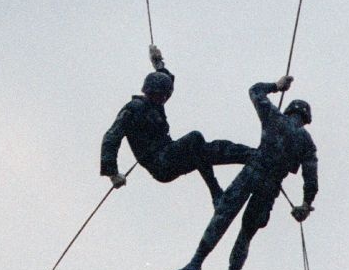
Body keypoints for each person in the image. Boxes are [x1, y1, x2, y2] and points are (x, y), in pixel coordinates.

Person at [170, 74, 318, 270]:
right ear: (306, 119)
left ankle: (196, 262)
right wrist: (305, 206)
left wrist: (277, 86)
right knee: (246, 235)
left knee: (222, 217)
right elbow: (311, 180)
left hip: (251, 173)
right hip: (269, 188)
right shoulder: (306, 142)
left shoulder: (274, 117)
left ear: (289, 110)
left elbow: (255, 91)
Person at [100, 46, 254, 203]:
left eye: (166, 96)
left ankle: (251, 155)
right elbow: (111, 137)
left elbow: (165, 79)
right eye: (162, 96)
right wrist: (112, 173)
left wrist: (157, 61)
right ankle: (216, 194)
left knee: (207, 150)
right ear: (152, 92)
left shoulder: (156, 102)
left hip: (170, 154)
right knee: (195, 138)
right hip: (160, 164)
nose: (165, 99)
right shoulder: (134, 109)